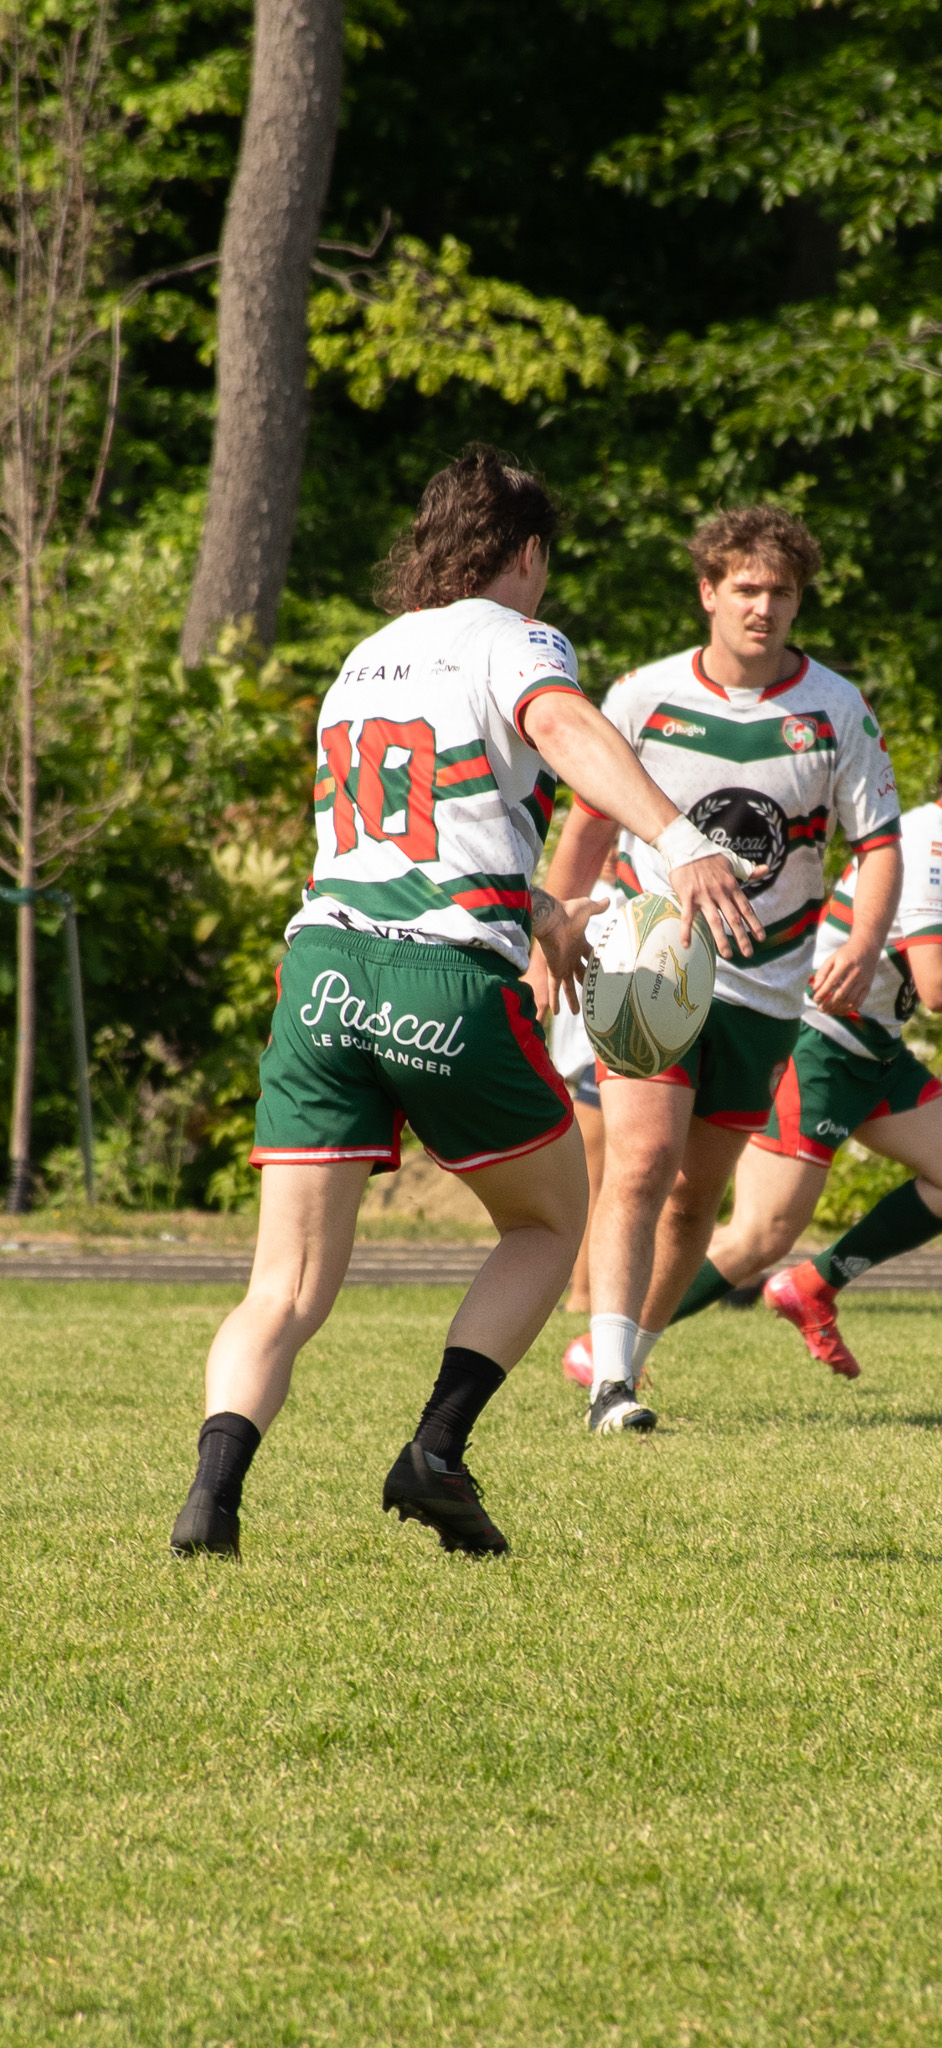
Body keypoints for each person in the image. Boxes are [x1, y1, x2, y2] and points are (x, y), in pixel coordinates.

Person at [168, 447, 756, 1562]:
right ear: (528, 553)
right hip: (439, 977)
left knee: (284, 1284)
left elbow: (396, 833)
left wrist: (534, 905)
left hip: (321, 977)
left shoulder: (364, 656)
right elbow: (567, 730)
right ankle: (436, 1449)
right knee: (548, 1220)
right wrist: (680, 843)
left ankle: (212, 1498)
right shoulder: (517, 637)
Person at [536, 506, 903, 1433]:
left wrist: (862, 942)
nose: (763, 607)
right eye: (745, 588)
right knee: (644, 1158)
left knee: (696, 1194)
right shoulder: (643, 697)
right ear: (708, 592)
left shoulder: (836, 707)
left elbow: (880, 842)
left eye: (781, 591)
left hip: (768, 980)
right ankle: (609, 1382)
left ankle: (629, 1359)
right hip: (648, 945)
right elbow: (587, 829)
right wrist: (546, 942)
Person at [683, 711, 942, 1377]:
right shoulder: (930, 844)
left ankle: (812, 1287)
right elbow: (941, 987)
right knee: (758, 1236)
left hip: (871, 1049)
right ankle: (611, 1349)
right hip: (818, 1043)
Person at [548, 849, 620, 1315]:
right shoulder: (595, 903)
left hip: (599, 1055)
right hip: (596, 1057)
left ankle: (592, 1294)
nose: (611, 851)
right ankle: (582, 1295)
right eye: (607, 839)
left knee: (611, 1183)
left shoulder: (596, 900)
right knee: (597, 1184)